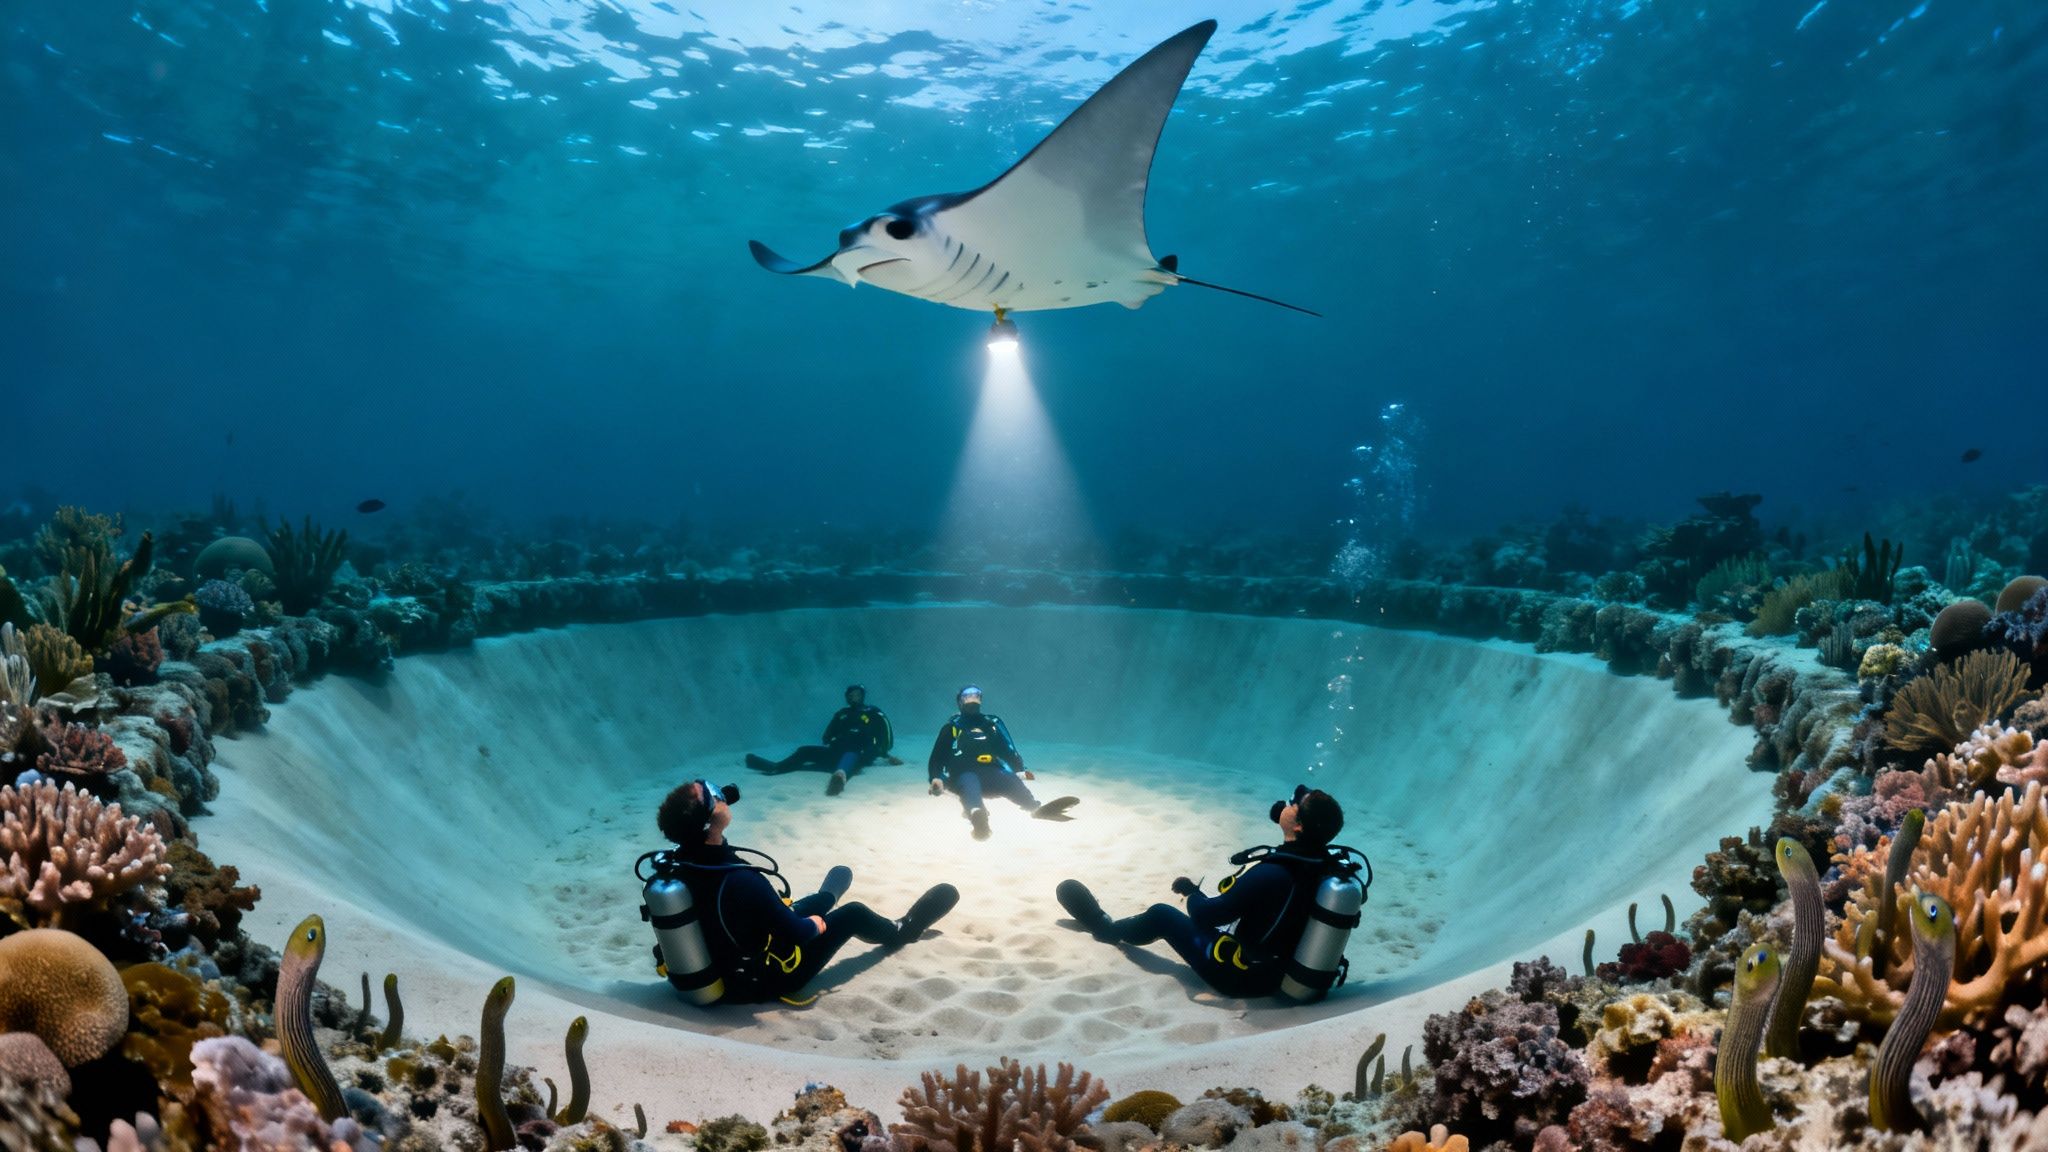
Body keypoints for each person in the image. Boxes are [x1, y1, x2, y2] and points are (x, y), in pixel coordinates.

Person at [653, 778, 958, 1004]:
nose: (722, 795)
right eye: (713, 795)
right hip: (765, 977)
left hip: (727, 963)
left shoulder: (679, 865)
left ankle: (826, 897)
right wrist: (815, 924)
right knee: (852, 913)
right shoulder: (739, 879)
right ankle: (904, 929)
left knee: (815, 902)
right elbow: (796, 933)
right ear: (713, 820)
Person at [1055, 785, 1352, 998]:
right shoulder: (1324, 868)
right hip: (1284, 973)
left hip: (1244, 979)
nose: (1288, 803)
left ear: (1298, 826)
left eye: (1295, 804)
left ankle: (1105, 928)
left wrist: (1191, 892)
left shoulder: (1274, 872)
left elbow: (1206, 916)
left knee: (1161, 914)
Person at [926, 684, 1077, 840]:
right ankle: (978, 817)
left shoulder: (991, 725)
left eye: (976, 696)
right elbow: (937, 757)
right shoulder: (952, 728)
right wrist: (936, 778)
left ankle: (1035, 808)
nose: (972, 699)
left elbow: (1007, 750)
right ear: (960, 702)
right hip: (963, 774)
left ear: (981, 700)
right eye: (967, 696)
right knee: (969, 785)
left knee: (1010, 780)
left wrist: (1019, 771)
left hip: (991, 773)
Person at [745, 684, 899, 795]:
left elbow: (886, 735)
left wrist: (883, 753)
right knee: (804, 750)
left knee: (851, 753)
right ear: (847, 697)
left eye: (858, 694)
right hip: (835, 752)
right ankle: (775, 767)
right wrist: (834, 740)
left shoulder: (873, 712)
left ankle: (840, 777)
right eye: (851, 695)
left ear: (863, 695)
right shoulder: (841, 714)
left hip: (860, 753)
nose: (854, 697)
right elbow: (827, 736)